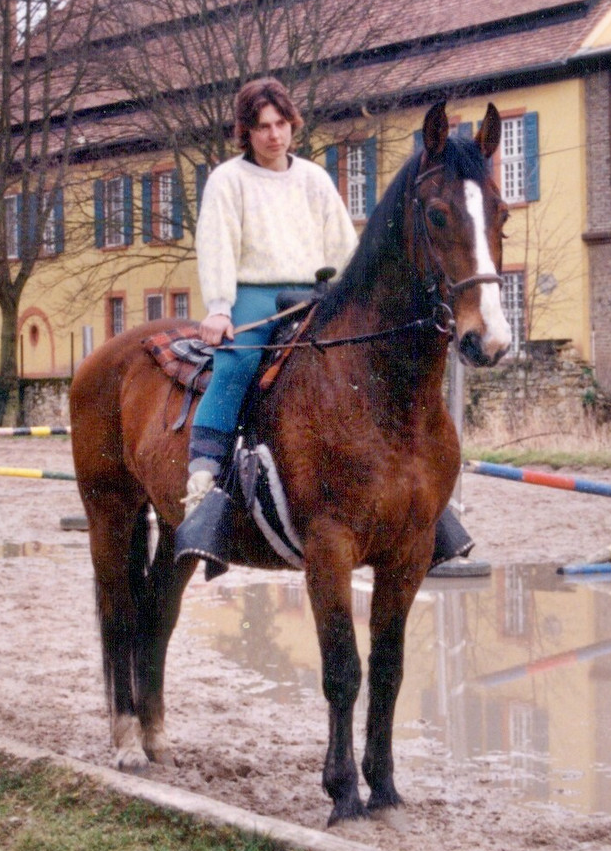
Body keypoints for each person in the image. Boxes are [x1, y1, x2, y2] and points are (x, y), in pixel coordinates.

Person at [173, 78, 474, 575]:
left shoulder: (313, 178)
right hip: (255, 294)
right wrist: (221, 307)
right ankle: (204, 487)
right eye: (262, 127)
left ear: (293, 125)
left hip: (317, 291)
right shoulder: (228, 180)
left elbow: (343, 246)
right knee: (238, 365)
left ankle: (426, 508)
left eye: (281, 124)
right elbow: (217, 245)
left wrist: (358, 297)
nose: (273, 135)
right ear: (246, 133)